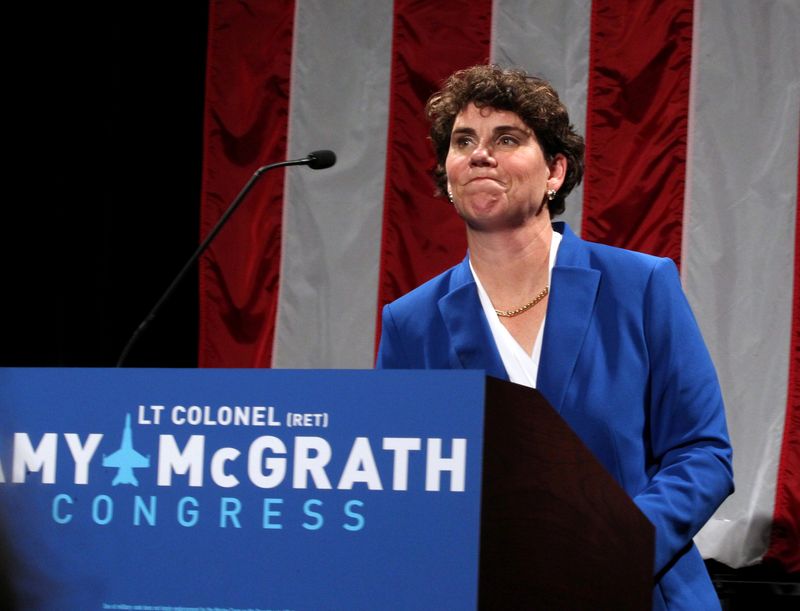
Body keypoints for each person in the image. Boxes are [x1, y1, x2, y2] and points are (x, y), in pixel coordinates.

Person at [376, 64, 734, 610]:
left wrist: (615, 546)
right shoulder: (411, 322)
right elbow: (404, 484)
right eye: (463, 140)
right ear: (447, 174)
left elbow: (701, 452)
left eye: (507, 138)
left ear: (554, 172)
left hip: (639, 589)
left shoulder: (640, 285)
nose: (480, 154)